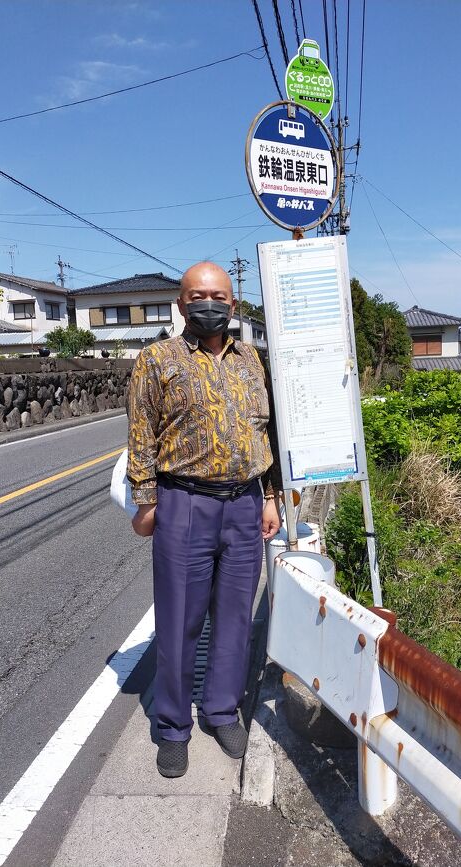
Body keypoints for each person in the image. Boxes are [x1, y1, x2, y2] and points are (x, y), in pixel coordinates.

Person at [127, 261, 282, 778]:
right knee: (179, 621)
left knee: (236, 615)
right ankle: (172, 726)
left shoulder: (252, 361)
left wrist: (271, 496)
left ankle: (220, 709)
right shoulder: (157, 360)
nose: (208, 303)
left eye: (217, 295)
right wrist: (146, 503)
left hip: (244, 503)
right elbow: (141, 434)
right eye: (197, 295)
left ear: (233, 305)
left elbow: (269, 432)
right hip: (183, 504)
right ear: (181, 303)